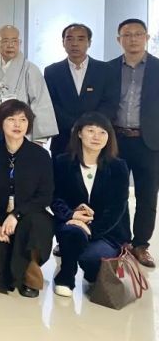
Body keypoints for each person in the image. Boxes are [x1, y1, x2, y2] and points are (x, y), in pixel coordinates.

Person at [0, 100, 54, 297]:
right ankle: (23, 271)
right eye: (11, 119)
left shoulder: (40, 155)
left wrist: (16, 215)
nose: (17, 124)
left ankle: (27, 275)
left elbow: (45, 195)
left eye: (23, 120)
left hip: (30, 215)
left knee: (34, 227)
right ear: (1, 123)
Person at [51, 112, 130, 297]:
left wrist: (91, 229)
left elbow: (117, 208)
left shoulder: (118, 167)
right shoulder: (62, 162)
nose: (97, 136)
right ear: (79, 133)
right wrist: (71, 215)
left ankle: (92, 271)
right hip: (71, 223)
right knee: (73, 233)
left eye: (103, 132)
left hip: (107, 231)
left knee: (93, 258)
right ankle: (66, 276)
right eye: (91, 130)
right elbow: (55, 197)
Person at [108, 18, 159, 268]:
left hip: (149, 142)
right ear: (119, 40)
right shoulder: (108, 69)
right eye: (127, 35)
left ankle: (141, 245)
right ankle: (120, 241)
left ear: (147, 38)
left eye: (138, 34)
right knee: (116, 193)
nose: (133, 39)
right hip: (116, 140)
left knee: (147, 195)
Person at [45, 23, 117, 158]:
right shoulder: (52, 71)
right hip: (63, 139)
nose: (75, 43)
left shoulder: (105, 70)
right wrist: (76, 126)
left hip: (97, 139)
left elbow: (110, 103)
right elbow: (50, 104)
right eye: (70, 39)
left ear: (89, 43)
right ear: (63, 42)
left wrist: (89, 126)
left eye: (81, 39)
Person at [0, 25, 58, 142]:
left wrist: (38, 140)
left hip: (21, 131)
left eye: (14, 41)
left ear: (19, 43)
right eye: (5, 41)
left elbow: (41, 104)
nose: (10, 45)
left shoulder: (31, 69)